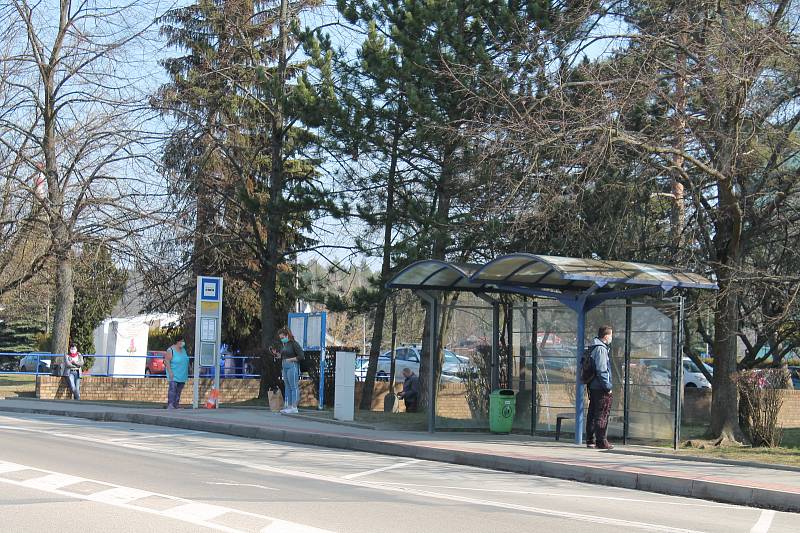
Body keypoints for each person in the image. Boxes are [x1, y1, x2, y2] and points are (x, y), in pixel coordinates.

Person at [586, 325, 614, 450]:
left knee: (592, 413)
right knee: (602, 414)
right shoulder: (601, 349)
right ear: (606, 336)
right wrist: (607, 387)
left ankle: (590, 440)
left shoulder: (592, 347)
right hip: (600, 387)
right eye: (611, 335)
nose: (611, 338)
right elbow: (602, 370)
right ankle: (601, 441)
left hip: (592, 385)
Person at [270, 328, 304, 414]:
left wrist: (291, 359)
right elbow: (283, 356)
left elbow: (301, 356)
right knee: (288, 387)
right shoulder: (284, 345)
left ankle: (294, 406)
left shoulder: (294, 344)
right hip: (284, 367)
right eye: (280, 338)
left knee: (293, 386)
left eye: (282, 337)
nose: (281, 339)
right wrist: (276, 354)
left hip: (292, 366)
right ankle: (289, 406)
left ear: (287, 335)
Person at [165, 337, 190, 409]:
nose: (183, 343)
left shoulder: (183, 350)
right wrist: (170, 372)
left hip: (182, 374)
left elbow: (185, 359)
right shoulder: (171, 350)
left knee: (179, 391)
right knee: (173, 389)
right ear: (177, 341)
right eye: (182, 341)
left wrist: (189, 368)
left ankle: (176, 404)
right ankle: (170, 405)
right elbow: (167, 361)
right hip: (174, 374)